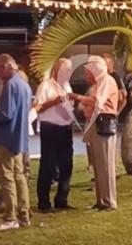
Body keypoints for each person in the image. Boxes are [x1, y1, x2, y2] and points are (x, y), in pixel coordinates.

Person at [0, 54, 33, 230]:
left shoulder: (10, 86)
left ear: (6, 66)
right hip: (19, 138)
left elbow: (6, 114)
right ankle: (24, 214)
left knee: (7, 178)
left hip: (7, 137)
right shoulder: (24, 85)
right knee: (19, 177)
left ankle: (10, 217)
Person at [72, 57, 119, 210]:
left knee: (105, 164)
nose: (85, 74)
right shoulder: (99, 82)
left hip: (103, 124)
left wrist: (78, 97)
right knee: (99, 165)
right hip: (97, 123)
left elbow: (97, 101)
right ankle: (101, 201)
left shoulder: (105, 80)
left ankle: (109, 202)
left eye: (87, 71)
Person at [34, 57, 74, 212]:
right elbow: (37, 107)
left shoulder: (67, 86)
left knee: (66, 165)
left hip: (66, 127)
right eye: (67, 69)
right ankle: (44, 202)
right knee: (48, 165)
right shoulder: (45, 86)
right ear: (58, 70)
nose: (69, 73)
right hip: (50, 128)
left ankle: (62, 200)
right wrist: (54, 101)